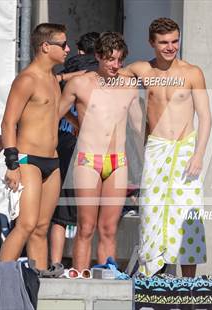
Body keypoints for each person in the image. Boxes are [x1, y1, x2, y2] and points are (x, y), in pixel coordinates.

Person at [119, 17, 212, 277]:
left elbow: (205, 116)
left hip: (185, 149)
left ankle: (189, 284)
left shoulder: (192, 72)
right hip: (156, 148)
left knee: (187, 216)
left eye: (174, 41)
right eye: (163, 43)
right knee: (151, 213)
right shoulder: (141, 70)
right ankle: (153, 279)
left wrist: (199, 155)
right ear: (152, 43)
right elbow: (110, 76)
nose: (170, 47)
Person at [58, 32, 143, 271]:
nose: (115, 65)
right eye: (110, 59)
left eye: (119, 60)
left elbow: (138, 129)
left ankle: (109, 279)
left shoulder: (129, 86)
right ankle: (80, 279)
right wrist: (75, 124)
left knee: (109, 228)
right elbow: (55, 111)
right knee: (86, 227)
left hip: (118, 161)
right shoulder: (80, 83)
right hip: (87, 160)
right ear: (97, 56)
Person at [0, 23, 70, 270]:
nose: (68, 49)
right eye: (63, 44)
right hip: (28, 161)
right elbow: (8, 121)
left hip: (52, 161)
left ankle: (37, 286)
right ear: (45, 46)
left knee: (41, 228)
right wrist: (12, 164)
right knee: (26, 225)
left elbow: (43, 114)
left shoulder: (52, 78)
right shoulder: (26, 79)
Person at [50, 32, 100, 265]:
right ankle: (89, 266)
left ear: (80, 50)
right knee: (87, 214)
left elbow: (55, 104)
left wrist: (73, 119)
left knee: (60, 213)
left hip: (63, 141)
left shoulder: (66, 72)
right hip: (93, 144)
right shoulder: (102, 72)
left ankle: (56, 263)